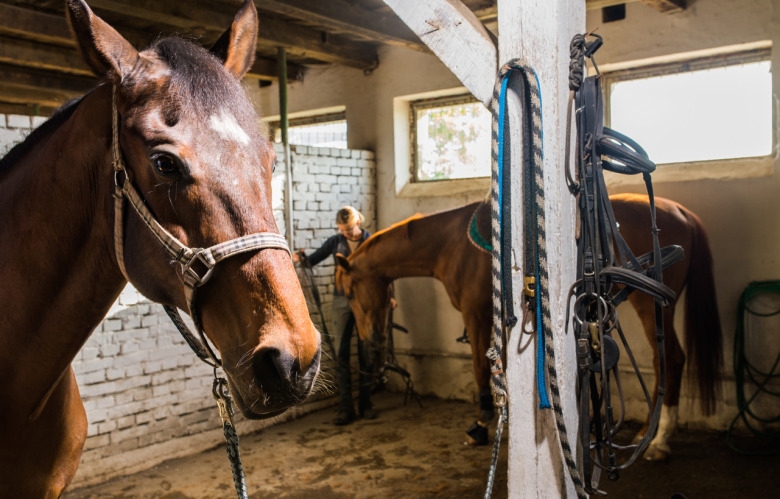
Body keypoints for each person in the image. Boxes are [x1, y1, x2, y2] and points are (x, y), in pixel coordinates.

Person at [292, 206, 376, 425]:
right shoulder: (335, 242)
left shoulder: (371, 241)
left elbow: (382, 272)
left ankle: (366, 403)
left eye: (349, 229)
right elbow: (313, 260)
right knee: (341, 354)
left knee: (366, 351)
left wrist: (389, 298)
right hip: (341, 301)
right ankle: (346, 407)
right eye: (342, 229)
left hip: (365, 300)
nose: (346, 233)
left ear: (358, 221)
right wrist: (301, 258)